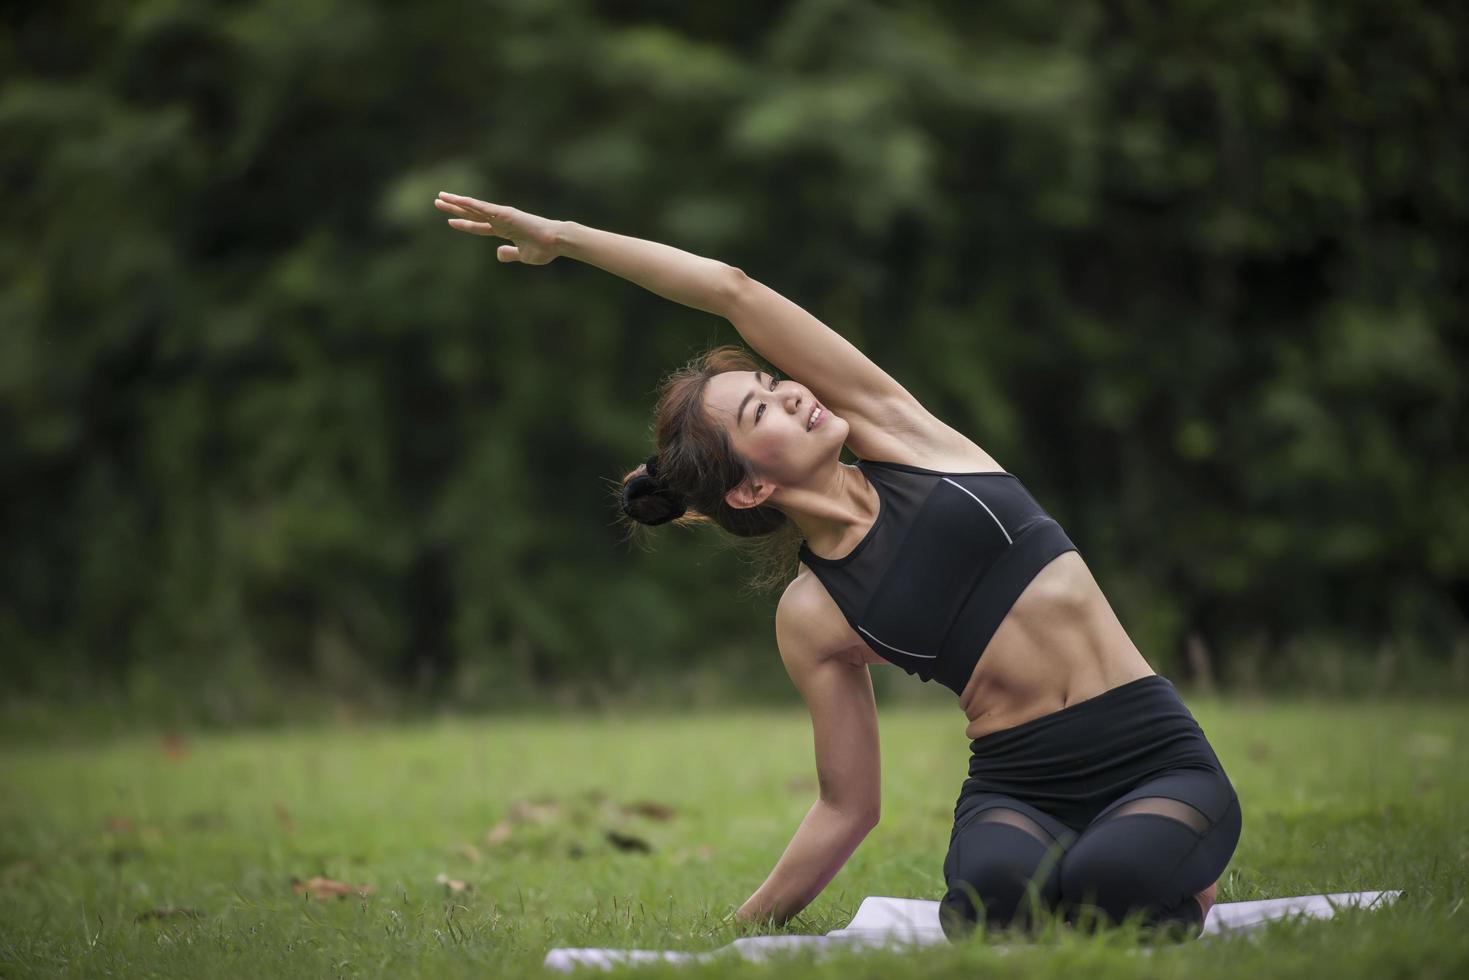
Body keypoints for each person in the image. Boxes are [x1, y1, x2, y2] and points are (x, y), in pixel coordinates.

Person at [434, 191, 1242, 940]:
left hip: (1148, 752)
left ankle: (1176, 878)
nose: (790, 393)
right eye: (760, 410)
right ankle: (1133, 884)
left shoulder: (902, 436)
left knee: (1110, 886)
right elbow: (846, 804)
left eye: (770, 383)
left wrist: (565, 239)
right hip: (1017, 787)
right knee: (991, 907)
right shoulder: (815, 613)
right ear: (751, 486)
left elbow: (732, 290)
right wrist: (738, 935)